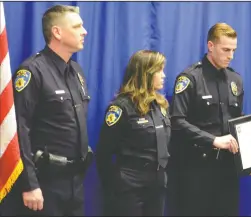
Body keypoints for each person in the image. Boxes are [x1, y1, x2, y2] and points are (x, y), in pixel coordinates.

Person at [1, 5, 91, 216]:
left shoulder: (76, 71)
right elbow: (19, 131)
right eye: (77, 26)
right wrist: (30, 184)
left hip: (75, 183)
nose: (84, 31)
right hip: (45, 184)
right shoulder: (32, 71)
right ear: (57, 32)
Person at [167, 22, 251, 216]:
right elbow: (177, 121)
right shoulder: (190, 78)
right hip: (196, 168)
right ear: (211, 46)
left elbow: (239, 122)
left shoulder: (235, 80)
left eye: (234, 50)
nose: (231, 56)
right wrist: (213, 140)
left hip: (228, 168)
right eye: (226, 49)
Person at [96, 50, 171, 216]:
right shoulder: (121, 108)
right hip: (129, 186)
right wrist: (114, 187)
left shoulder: (160, 105)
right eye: (159, 70)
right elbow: (103, 153)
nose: (164, 75)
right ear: (145, 74)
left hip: (157, 184)